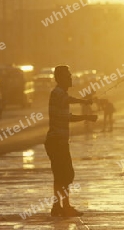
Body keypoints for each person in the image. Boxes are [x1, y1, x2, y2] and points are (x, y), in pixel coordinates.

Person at [44, 65, 97, 217]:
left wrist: (85, 110)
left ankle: (58, 206)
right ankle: (64, 207)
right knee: (66, 174)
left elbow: (68, 115)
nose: (71, 77)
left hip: (57, 142)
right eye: (68, 75)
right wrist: (85, 105)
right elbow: (68, 109)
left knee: (61, 175)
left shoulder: (60, 95)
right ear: (60, 78)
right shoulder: (58, 93)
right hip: (56, 142)